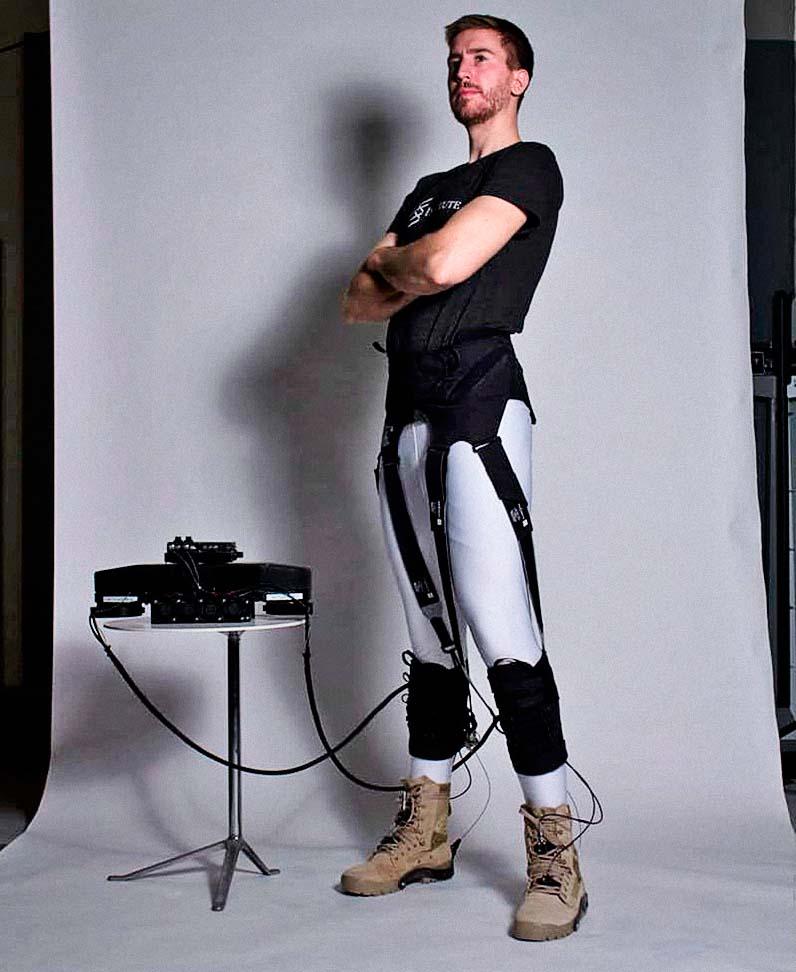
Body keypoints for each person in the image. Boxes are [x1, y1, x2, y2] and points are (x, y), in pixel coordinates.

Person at [338, 14, 587, 941]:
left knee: (504, 631)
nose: (462, 71)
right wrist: (405, 269)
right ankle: (426, 830)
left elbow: (432, 264)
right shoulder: (430, 190)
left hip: (480, 405)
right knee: (430, 638)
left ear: (517, 79)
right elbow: (356, 300)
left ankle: (556, 852)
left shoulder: (529, 168)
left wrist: (400, 263)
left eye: (481, 58)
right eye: (454, 60)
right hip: (404, 408)